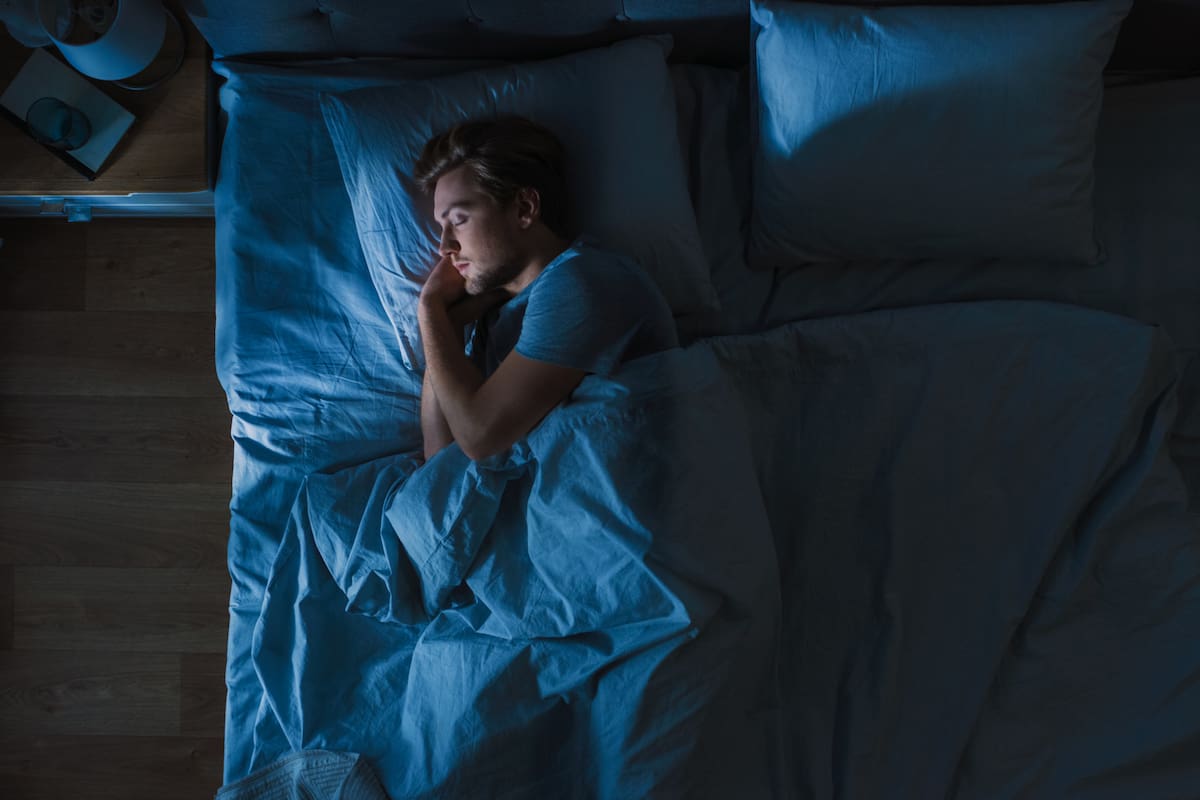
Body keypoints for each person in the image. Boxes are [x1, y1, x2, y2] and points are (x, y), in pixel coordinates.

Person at [413, 116, 679, 462]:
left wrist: (430, 312)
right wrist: (448, 327)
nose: (444, 246)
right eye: (441, 225)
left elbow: (479, 437)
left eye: (459, 219)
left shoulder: (583, 282)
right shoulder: (492, 316)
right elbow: (440, 463)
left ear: (524, 209)